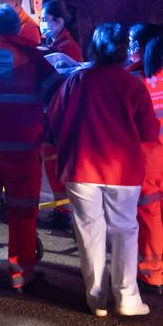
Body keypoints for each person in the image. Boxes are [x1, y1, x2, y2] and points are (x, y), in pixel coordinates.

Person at [49, 23, 159, 317]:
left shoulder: (75, 80)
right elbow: (149, 132)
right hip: (123, 170)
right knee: (125, 231)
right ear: (124, 49)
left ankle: (96, 300)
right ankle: (127, 299)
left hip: (81, 167)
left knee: (90, 233)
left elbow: (55, 121)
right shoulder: (133, 84)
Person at [0, 5, 62, 291]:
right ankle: (20, 274)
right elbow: (56, 91)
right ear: (17, 30)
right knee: (22, 210)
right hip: (21, 149)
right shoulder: (32, 57)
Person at [37, 0, 82, 229]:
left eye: (45, 20)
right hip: (52, 113)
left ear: (59, 22)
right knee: (51, 160)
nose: (42, 23)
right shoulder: (55, 43)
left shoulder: (67, 48)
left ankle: (64, 208)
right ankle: (62, 206)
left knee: (55, 162)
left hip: (59, 115)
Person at [127, 23, 163, 294]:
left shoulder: (132, 80)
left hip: (146, 161)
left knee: (149, 219)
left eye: (130, 42)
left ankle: (152, 275)